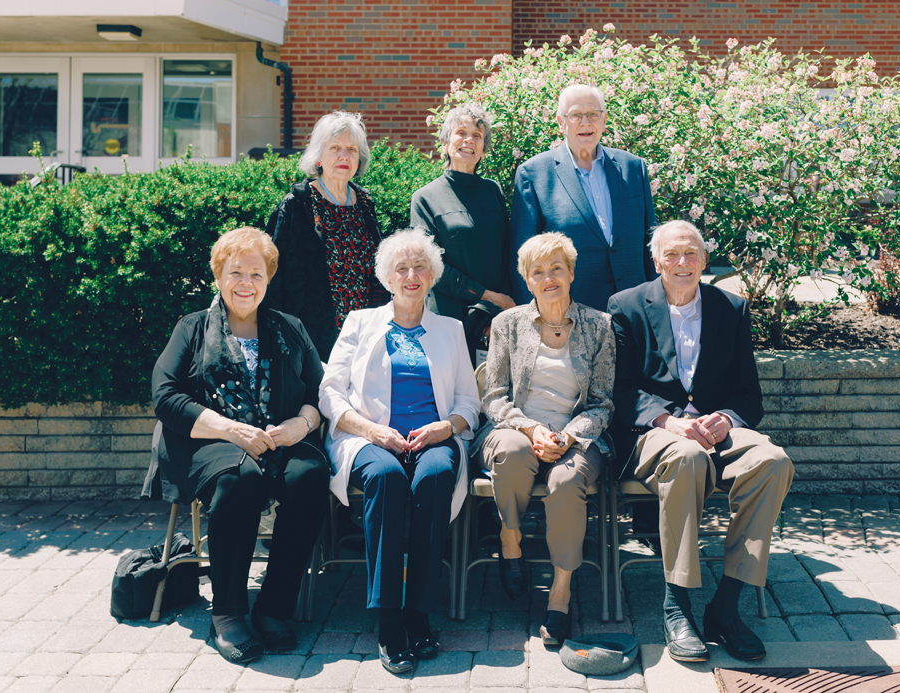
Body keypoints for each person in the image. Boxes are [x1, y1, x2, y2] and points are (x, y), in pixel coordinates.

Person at [608, 220, 794, 663]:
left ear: (705, 260)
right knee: (688, 456)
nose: (682, 262)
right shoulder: (627, 306)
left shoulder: (731, 307)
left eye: (691, 253)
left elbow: (748, 393)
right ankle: (677, 605)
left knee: (774, 461)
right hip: (654, 434)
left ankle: (725, 608)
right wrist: (668, 422)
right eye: (671, 254)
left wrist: (727, 420)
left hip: (716, 431)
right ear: (656, 261)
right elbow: (620, 389)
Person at [151, 227, 329, 665]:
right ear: (218, 276)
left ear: (268, 279)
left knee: (309, 475)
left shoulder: (290, 328)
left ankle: (274, 607)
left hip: (278, 438)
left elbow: (322, 392)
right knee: (239, 479)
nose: (245, 282)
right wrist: (231, 430)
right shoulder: (191, 328)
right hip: (209, 442)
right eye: (236, 272)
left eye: (256, 273)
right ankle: (228, 613)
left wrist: (300, 425)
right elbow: (166, 395)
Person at [318, 228, 481, 675]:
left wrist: (446, 427)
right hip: (370, 439)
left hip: (432, 438)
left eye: (420, 267)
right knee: (387, 477)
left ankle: (419, 612)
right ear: (387, 278)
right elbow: (330, 394)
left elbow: (470, 400)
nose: (412, 275)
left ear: (432, 276)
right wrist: (372, 431)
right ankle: (389, 619)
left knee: (433, 477)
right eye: (402, 268)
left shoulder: (450, 329)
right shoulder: (359, 322)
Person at [472, 232, 615, 649]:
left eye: (556, 268)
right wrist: (530, 429)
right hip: (514, 429)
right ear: (527, 280)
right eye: (538, 271)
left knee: (567, 482)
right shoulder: (507, 324)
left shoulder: (599, 326)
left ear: (571, 273)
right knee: (514, 455)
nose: (548, 277)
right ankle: (510, 539)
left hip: (578, 436)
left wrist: (568, 435)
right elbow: (494, 396)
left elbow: (604, 403)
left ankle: (561, 592)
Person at [509, 84, 657, 312]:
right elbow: (523, 258)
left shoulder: (633, 168)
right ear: (561, 122)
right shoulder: (534, 174)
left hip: (635, 311)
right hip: (570, 314)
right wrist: (531, 319)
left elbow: (650, 245)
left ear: (604, 119)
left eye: (593, 114)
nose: (585, 122)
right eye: (576, 115)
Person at [264, 110, 389, 361]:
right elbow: (271, 275)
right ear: (318, 156)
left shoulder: (365, 203)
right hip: (311, 336)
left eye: (352, 150)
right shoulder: (297, 204)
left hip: (362, 332)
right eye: (335, 148)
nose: (344, 156)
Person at [411, 103, 515, 322]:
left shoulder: (493, 191)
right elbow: (429, 266)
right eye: (461, 133)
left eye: (477, 135)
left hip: (497, 315)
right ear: (445, 143)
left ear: (483, 150)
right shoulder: (425, 198)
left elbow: (507, 251)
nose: (469, 140)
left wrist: (502, 304)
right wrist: (486, 296)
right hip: (449, 317)